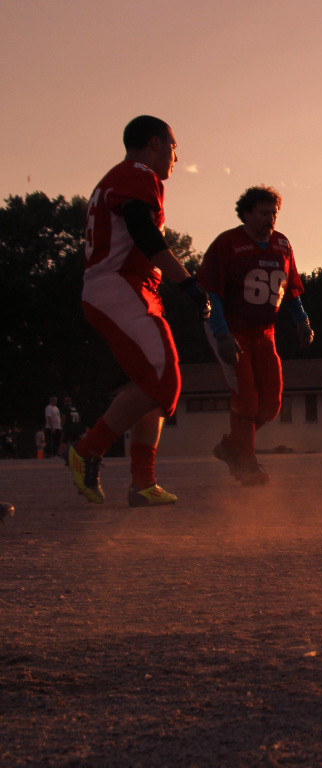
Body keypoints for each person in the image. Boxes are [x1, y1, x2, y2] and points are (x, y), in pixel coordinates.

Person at [67, 115, 209, 507]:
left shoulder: (120, 177)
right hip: (118, 285)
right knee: (164, 381)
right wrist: (188, 282)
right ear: (155, 143)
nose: (176, 158)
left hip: (127, 287)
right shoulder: (139, 173)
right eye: (174, 147)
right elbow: (145, 233)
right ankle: (86, 449)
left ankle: (142, 482)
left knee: (152, 387)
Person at [199, 186, 311, 486]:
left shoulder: (282, 244)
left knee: (271, 404)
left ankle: (231, 446)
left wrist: (302, 321)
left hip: (264, 332)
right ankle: (246, 463)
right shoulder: (227, 243)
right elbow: (211, 294)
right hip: (231, 329)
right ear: (246, 213)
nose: (271, 218)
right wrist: (222, 334)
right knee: (246, 399)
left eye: (274, 212)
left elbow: (290, 291)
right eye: (264, 212)